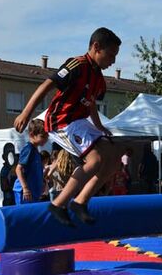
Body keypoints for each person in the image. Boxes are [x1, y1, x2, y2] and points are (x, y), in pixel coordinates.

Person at [13, 27, 121, 226]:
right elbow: (47, 85)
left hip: (80, 121)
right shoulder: (77, 65)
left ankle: (80, 202)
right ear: (96, 47)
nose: (113, 61)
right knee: (95, 160)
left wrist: (100, 127)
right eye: (111, 55)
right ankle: (59, 204)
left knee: (114, 158)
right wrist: (26, 112)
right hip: (61, 121)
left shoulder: (99, 80)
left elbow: (91, 106)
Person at [13, 120, 49, 204]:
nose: (46, 139)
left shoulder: (35, 150)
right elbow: (18, 169)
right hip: (25, 192)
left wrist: (42, 181)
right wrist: (25, 188)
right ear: (32, 135)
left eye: (47, 136)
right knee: (24, 215)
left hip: (32, 191)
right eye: (43, 136)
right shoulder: (28, 149)